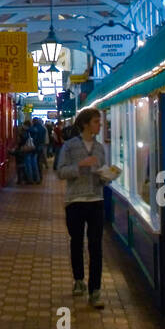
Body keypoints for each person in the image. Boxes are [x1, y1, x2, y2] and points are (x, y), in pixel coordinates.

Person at [55, 107, 108, 308]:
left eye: (99, 122)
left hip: (96, 200)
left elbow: (102, 173)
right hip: (75, 201)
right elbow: (61, 172)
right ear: (85, 123)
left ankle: (95, 290)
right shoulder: (69, 146)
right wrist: (81, 167)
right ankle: (79, 280)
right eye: (96, 121)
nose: (99, 125)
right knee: (76, 242)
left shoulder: (100, 148)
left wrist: (107, 176)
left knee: (96, 246)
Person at [30, 117, 46, 182]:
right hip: (41, 146)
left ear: (33, 121)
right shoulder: (43, 128)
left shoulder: (33, 128)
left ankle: (36, 178)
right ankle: (40, 177)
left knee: (34, 162)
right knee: (39, 162)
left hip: (34, 147)